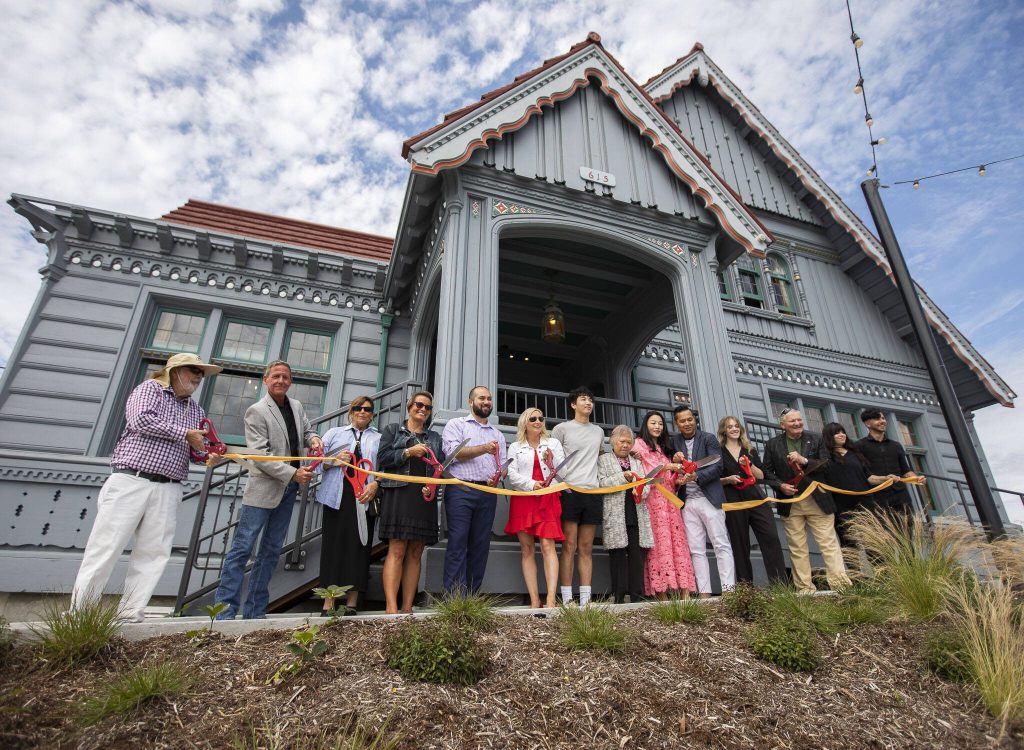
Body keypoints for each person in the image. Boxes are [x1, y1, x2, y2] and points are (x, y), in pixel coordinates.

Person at [71, 352, 223, 622]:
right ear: (175, 371)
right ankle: (80, 615)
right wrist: (184, 434)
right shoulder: (149, 389)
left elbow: (193, 451)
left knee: (154, 553)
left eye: (202, 373)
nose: (199, 377)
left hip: (169, 487)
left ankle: (130, 613)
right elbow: (140, 420)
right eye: (194, 370)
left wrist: (206, 455)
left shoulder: (197, 411)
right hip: (131, 480)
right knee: (105, 548)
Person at [215, 360, 321, 619]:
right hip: (263, 491)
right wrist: (293, 473)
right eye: (276, 376)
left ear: (291, 381)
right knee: (242, 549)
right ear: (265, 379)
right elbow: (260, 455)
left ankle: (255, 611)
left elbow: (306, 431)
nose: (281, 381)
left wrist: (314, 438)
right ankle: (225, 612)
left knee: (271, 552)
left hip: (288, 491)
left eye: (285, 377)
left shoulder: (295, 406)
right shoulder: (256, 411)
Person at [762, 408, 850, 594]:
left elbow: (827, 465)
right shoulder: (772, 444)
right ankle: (804, 589)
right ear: (783, 425)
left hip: (817, 498)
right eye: (792, 421)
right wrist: (780, 486)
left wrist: (804, 460)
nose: (797, 423)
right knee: (797, 547)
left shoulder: (816, 439)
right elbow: (767, 472)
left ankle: (840, 586)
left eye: (799, 420)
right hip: (790, 502)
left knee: (828, 543)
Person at [376, 391, 444, 614]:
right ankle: (391, 607)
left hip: (423, 497)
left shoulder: (434, 437)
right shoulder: (393, 430)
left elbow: (439, 469)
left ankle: (407, 607)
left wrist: (433, 486)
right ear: (409, 406)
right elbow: (383, 458)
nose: (423, 409)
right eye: (419, 404)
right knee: (396, 549)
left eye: (427, 407)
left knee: (416, 552)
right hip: (398, 493)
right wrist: (407, 451)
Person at [315, 395, 380, 615]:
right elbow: (315, 465)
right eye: (358, 408)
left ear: (372, 414)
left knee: (360, 548)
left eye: (368, 409)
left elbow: (382, 469)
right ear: (351, 411)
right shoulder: (334, 434)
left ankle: (352, 602)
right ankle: (329, 603)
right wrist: (334, 459)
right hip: (336, 497)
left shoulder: (378, 438)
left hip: (363, 497)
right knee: (333, 548)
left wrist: (376, 486)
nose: (363, 412)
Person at [441, 386, 507, 594]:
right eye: (481, 398)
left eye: (489, 399)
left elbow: (502, 466)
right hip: (461, 489)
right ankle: (454, 598)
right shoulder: (456, 425)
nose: (486, 402)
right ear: (471, 402)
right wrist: (484, 449)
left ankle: (472, 597)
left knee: (480, 546)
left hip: (487, 493)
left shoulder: (498, 434)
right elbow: (452, 453)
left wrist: (499, 475)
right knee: (457, 542)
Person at [671, 406, 735, 596]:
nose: (687, 423)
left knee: (721, 544)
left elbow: (718, 466)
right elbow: (669, 467)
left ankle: (729, 590)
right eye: (682, 421)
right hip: (687, 501)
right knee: (696, 549)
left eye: (690, 419)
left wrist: (696, 477)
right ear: (677, 423)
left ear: (695, 420)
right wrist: (674, 461)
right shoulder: (674, 442)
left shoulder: (708, 438)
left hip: (710, 499)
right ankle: (704, 593)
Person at [505, 407, 565, 608]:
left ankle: (550, 599)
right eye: (533, 418)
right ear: (525, 422)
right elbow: (511, 474)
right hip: (524, 498)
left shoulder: (553, 443)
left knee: (548, 546)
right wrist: (532, 484)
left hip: (547, 497)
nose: (538, 421)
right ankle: (533, 600)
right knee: (527, 548)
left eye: (541, 418)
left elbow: (563, 470)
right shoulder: (515, 446)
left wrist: (550, 460)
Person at [551, 386, 606, 607]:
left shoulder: (599, 431)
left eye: (591, 400)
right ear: (573, 404)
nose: (588, 403)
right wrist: (561, 486)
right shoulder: (562, 429)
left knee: (586, 548)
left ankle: (585, 600)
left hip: (592, 492)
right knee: (569, 546)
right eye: (583, 399)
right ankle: (567, 599)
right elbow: (552, 461)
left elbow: (602, 457)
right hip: (569, 492)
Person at [717, 416, 788, 585]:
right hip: (733, 501)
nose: (734, 429)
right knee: (739, 544)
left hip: (756, 498)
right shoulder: (718, 452)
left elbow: (761, 475)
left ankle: (779, 586)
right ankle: (745, 588)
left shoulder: (749, 449)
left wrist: (748, 464)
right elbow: (715, 479)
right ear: (724, 431)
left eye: (736, 426)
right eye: (729, 427)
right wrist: (728, 479)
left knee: (771, 537)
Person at [632, 411, 695, 599]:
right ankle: (661, 593)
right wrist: (668, 467)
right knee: (658, 544)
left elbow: (670, 477)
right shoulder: (639, 444)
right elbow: (645, 472)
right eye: (653, 423)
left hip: (670, 502)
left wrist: (679, 478)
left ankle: (684, 590)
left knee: (677, 543)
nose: (657, 427)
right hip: (653, 501)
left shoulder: (664, 447)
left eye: (660, 423)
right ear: (645, 425)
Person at [599, 425, 655, 604]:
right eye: (621, 441)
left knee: (637, 555)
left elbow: (647, 484)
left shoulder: (637, 461)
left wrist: (640, 489)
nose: (624, 445)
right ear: (613, 442)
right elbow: (601, 484)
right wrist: (623, 477)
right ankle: (619, 595)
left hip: (636, 511)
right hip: (616, 512)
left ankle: (637, 594)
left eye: (628, 442)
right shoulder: (604, 460)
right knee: (617, 554)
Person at [822, 421, 893, 548]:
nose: (841, 435)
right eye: (836, 433)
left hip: (865, 504)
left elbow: (869, 478)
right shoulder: (825, 457)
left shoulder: (855, 454)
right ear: (829, 437)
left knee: (873, 542)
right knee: (849, 544)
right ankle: (854, 569)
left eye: (843, 432)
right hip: (842, 507)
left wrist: (886, 478)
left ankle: (879, 568)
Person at [854, 409, 925, 526]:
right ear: (867, 424)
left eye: (883, 418)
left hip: (901, 496)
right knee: (885, 532)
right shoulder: (859, 446)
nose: (882, 421)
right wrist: (884, 478)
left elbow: (906, 471)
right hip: (877, 497)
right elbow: (864, 475)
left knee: (907, 531)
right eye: (877, 419)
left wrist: (917, 478)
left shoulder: (896, 445)